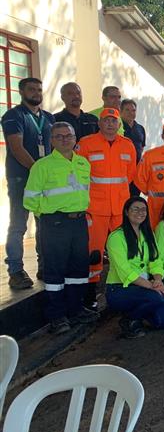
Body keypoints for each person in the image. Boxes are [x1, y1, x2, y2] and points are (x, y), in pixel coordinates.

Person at [23, 122, 98, 334]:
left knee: (78, 269)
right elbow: (30, 200)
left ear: (75, 139)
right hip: (55, 223)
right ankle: (57, 316)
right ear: (52, 140)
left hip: (79, 222)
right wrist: (48, 214)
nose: (65, 139)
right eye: (59, 136)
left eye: (68, 135)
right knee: (55, 270)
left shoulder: (83, 163)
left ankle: (75, 310)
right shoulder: (42, 166)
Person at [75, 107, 137, 309]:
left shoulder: (128, 146)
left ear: (119, 125)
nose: (110, 124)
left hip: (120, 208)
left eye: (114, 121)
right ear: (99, 123)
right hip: (96, 208)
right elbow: (78, 176)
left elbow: (129, 175)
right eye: (106, 120)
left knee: (125, 249)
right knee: (94, 252)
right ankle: (90, 294)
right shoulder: (86, 144)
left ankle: (127, 286)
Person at [2, 77, 54, 288]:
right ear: (22, 92)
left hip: (45, 181)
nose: (36, 93)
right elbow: (17, 148)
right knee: (18, 225)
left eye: (39, 89)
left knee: (44, 224)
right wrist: (38, 172)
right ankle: (16, 271)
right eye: (31, 89)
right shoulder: (13, 116)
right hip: (21, 179)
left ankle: (44, 266)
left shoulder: (49, 117)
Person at [105, 196, 164, 339]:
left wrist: (158, 281)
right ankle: (129, 319)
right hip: (119, 289)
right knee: (157, 298)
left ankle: (140, 313)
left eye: (143, 209)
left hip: (144, 286)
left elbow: (155, 261)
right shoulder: (116, 237)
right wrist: (152, 286)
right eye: (135, 209)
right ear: (126, 212)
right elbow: (125, 272)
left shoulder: (147, 234)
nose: (140, 212)